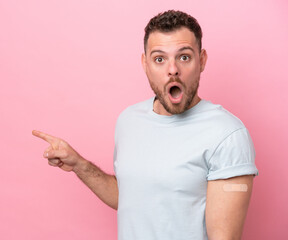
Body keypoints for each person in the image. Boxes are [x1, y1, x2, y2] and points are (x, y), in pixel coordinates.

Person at [32, 10, 258, 240]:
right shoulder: (129, 120)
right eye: (160, 59)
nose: (172, 70)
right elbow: (131, 197)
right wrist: (79, 164)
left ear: (202, 61)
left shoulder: (227, 135)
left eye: (184, 57)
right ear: (145, 64)